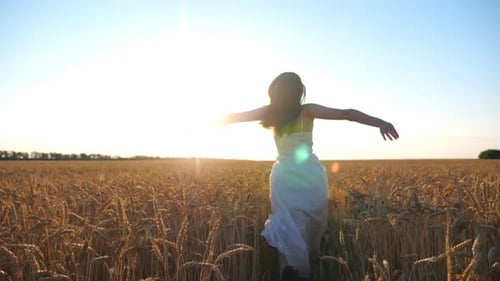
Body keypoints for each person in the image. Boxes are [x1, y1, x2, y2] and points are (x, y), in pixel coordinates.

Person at [220, 72, 399, 281]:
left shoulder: (270, 112)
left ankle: (291, 269)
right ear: (299, 92)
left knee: (288, 223)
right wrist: (381, 122)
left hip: (284, 177)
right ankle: (306, 267)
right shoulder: (307, 111)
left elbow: (232, 117)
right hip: (311, 176)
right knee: (312, 223)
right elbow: (347, 113)